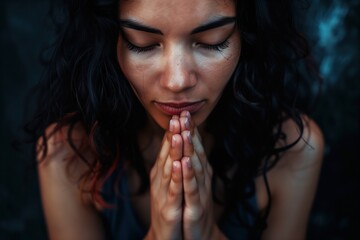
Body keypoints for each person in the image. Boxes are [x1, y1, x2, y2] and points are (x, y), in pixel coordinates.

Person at [28, 0, 324, 239]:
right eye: (142, 44)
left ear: (247, 37)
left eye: (212, 41)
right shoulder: (67, 154)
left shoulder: (295, 150)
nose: (177, 80)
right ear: (111, 42)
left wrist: (207, 234)